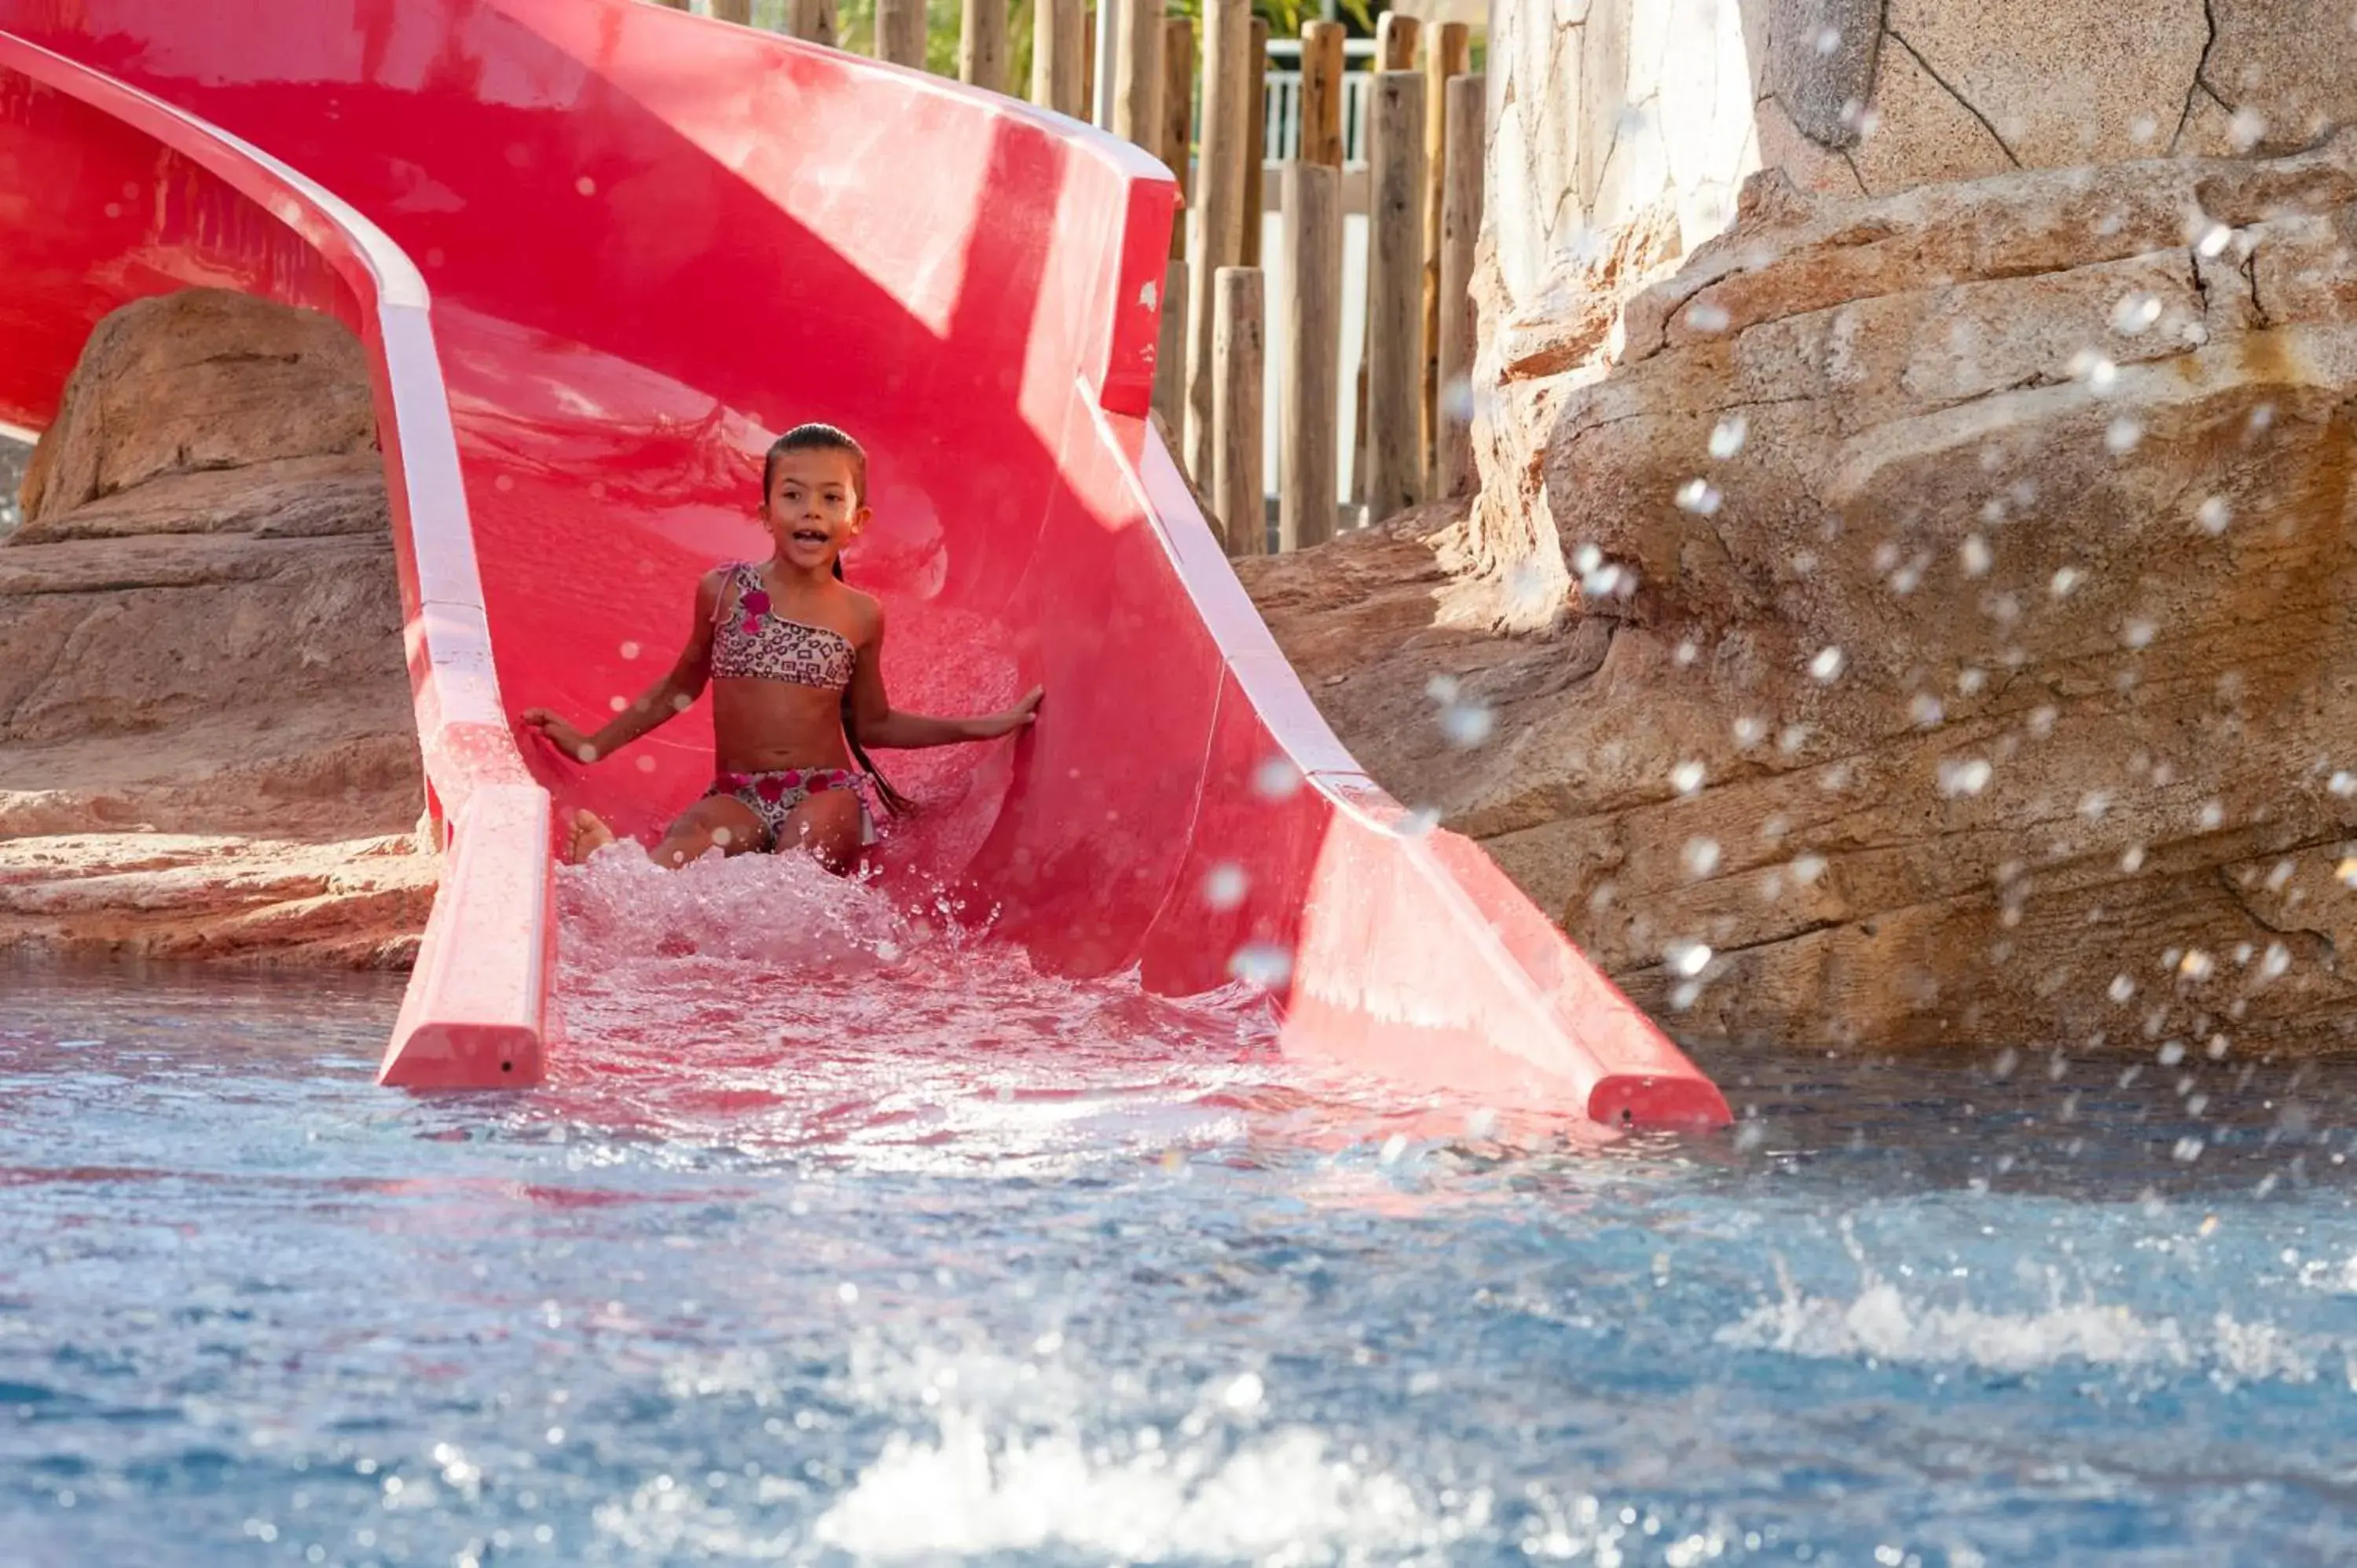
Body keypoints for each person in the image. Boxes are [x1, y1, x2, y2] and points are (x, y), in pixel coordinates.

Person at [521, 423, 1041, 874]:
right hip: (740, 794)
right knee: (691, 843)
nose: (810, 511)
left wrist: (983, 725)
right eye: (793, 495)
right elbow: (679, 689)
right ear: (765, 513)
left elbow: (873, 724)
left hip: (826, 791)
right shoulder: (723, 591)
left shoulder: (860, 614)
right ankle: (620, 874)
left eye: (831, 498)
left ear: (857, 521)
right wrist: (593, 746)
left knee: (802, 868)